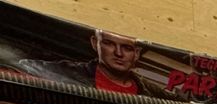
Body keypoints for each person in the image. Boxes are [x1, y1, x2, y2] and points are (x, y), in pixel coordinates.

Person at [17, 30, 174, 98]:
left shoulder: (151, 93)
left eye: (127, 48)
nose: (118, 53)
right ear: (95, 43)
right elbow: (18, 67)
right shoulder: (67, 73)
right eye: (109, 44)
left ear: (137, 53)